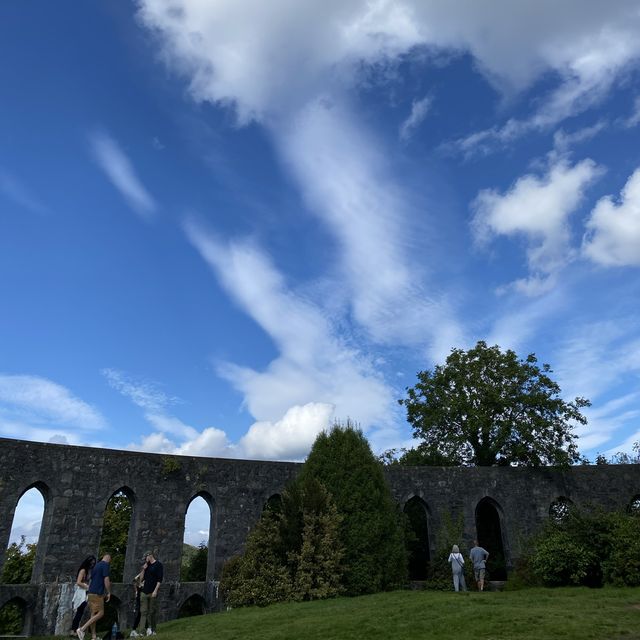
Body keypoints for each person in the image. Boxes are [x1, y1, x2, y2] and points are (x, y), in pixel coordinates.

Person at [77, 553, 111, 640]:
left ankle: (93, 636)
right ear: (108, 558)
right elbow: (106, 579)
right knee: (100, 613)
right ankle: (82, 629)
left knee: (93, 614)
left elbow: (91, 580)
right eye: (110, 560)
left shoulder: (96, 566)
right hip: (97, 593)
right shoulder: (105, 565)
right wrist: (109, 592)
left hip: (90, 593)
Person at [70, 556, 96, 636]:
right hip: (81, 592)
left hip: (84, 592)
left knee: (80, 612)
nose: (92, 565)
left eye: (93, 564)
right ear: (88, 562)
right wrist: (87, 587)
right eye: (91, 563)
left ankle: (74, 630)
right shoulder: (83, 570)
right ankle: (73, 630)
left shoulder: (87, 571)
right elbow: (78, 582)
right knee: (79, 612)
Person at [139, 551, 163, 636]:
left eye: (146, 557)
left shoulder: (158, 565)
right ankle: (142, 632)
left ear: (150, 556)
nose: (145, 559)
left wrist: (155, 591)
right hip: (144, 592)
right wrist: (143, 569)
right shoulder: (146, 565)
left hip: (153, 592)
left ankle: (152, 629)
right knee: (143, 612)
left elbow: (159, 580)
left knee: (152, 611)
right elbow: (141, 579)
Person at [129, 560, 147, 638]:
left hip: (144, 593)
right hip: (140, 594)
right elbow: (134, 581)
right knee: (139, 612)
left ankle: (144, 628)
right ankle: (133, 630)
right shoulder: (141, 574)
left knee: (144, 612)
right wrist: (137, 590)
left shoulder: (149, 574)